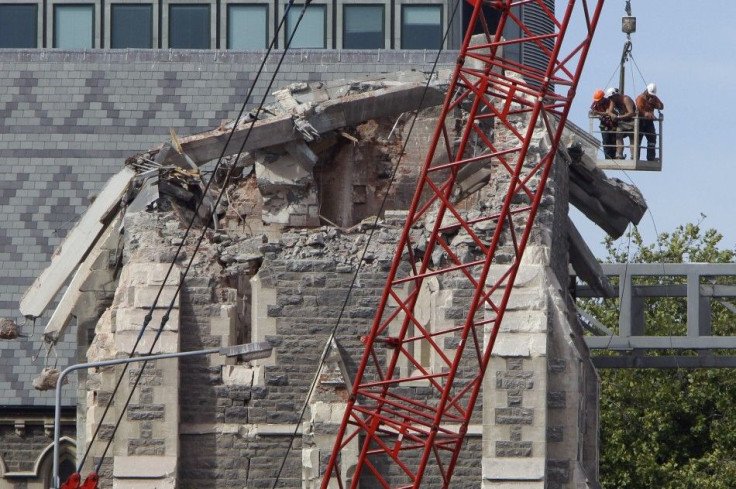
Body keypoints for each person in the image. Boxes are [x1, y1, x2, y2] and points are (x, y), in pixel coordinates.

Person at [605, 87, 637, 159]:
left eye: (611, 97)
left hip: (631, 122)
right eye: (610, 98)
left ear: (615, 95)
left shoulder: (626, 99)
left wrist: (619, 117)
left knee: (632, 138)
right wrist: (612, 114)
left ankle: (633, 156)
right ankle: (619, 154)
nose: (611, 99)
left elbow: (631, 113)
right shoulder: (613, 101)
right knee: (618, 136)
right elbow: (609, 111)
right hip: (622, 122)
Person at [636, 82, 664, 161]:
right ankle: (635, 157)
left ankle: (651, 157)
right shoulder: (640, 98)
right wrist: (647, 114)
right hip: (640, 121)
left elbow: (662, 106)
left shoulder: (654, 98)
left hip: (649, 122)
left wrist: (655, 104)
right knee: (638, 139)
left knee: (652, 138)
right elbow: (639, 109)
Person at [590, 89, 616, 159]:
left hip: (612, 123)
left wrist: (598, 113)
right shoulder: (595, 103)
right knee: (606, 140)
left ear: (602, 98)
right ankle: (607, 157)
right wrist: (596, 113)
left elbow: (608, 112)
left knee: (613, 140)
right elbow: (592, 110)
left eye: (599, 100)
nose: (598, 101)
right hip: (604, 123)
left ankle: (614, 156)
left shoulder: (608, 102)